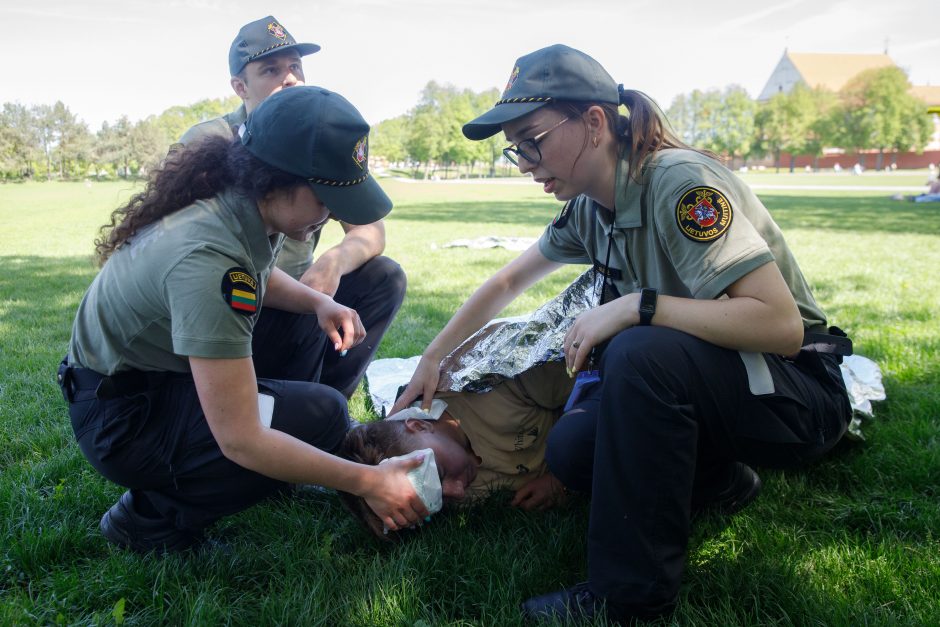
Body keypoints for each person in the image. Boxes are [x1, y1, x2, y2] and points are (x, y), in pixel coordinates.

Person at [391, 44, 853, 623]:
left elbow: (781, 328)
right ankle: (722, 481)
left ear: (594, 122)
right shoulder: (592, 206)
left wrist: (641, 305)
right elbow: (508, 279)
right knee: (573, 451)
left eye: (533, 139)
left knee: (638, 351)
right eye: (516, 149)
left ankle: (629, 597)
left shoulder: (680, 184)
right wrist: (434, 355)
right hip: (726, 388)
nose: (526, 161)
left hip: (797, 391)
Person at [58, 86, 429, 554]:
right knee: (323, 415)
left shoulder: (243, 208)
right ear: (276, 178)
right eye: (325, 197)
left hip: (154, 381)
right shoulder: (209, 259)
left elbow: (260, 276)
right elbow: (240, 439)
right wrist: (367, 481)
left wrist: (318, 303)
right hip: (126, 418)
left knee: (321, 383)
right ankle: (149, 517)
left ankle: (295, 453)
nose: (334, 214)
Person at [176, 16, 405, 398]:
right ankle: (293, 409)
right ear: (239, 86)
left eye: (295, 66)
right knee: (302, 307)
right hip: (231, 299)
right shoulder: (209, 143)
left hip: (302, 290)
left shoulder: (319, 134)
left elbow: (370, 228)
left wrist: (332, 263)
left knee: (384, 276)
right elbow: (195, 259)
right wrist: (311, 298)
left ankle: (327, 401)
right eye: (271, 69)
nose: (290, 78)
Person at [341, 361, 575, 539]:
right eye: (438, 500)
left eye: (439, 472)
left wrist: (563, 478)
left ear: (419, 425)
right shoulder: (458, 493)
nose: (458, 492)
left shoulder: (499, 390)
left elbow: (598, 389)